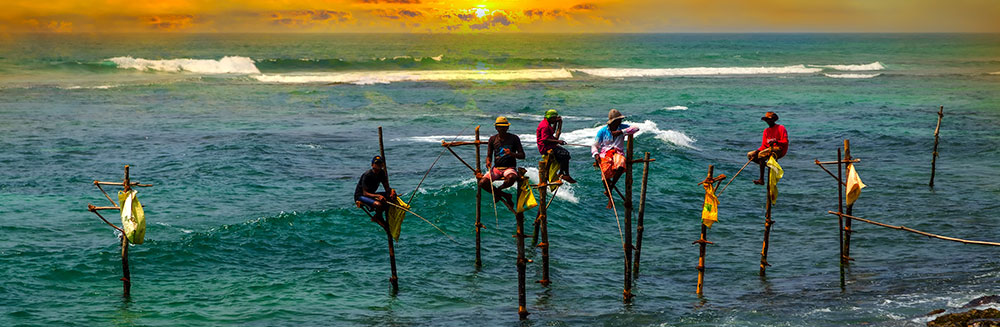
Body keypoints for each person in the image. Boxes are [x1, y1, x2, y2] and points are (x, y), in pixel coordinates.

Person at [592, 109, 639, 208]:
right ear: (613, 121)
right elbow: (595, 145)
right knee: (605, 172)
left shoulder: (622, 128)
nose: (620, 121)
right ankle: (610, 196)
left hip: (618, 152)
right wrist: (596, 154)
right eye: (618, 120)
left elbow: (636, 128)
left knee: (621, 164)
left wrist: (621, 132)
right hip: (605, 154)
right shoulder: (602, 131)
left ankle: (611, 186)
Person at [478, 116, 525, 207]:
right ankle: (505, 195)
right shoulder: (492, 139)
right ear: (496, 128)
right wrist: (488, 162)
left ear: (507, 127)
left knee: (511, 178)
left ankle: (498, 191)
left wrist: (512, 154)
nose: (502, 129)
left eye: (504, 126)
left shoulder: (514, 138)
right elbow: (489, 156)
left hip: (509, 168)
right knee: (482, 182)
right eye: (500, 127)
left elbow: (522, 155)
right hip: (496, 169)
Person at [746, 111, 789, 185]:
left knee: (761, 155)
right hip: (768, 150)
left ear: (774, 120)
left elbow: (785, 141)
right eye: (767, 120)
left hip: (779, 149)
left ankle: (761, 179)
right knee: (750, 155)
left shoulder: (781, 128)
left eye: (770, 119)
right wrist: (756, 151)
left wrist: (776, 142)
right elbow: (764, 146)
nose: (768, 121)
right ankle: (770, 166)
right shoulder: (766, 131)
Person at [354, 155, 397, 228]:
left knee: (392, 198)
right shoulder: (367, 175)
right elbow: (365, 193)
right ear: (372, 165)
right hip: (361, 196)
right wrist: (378, 196)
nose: (378, 165)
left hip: (372, 194)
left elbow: (387, 188)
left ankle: (379, 216)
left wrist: (392, 191)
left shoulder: (382, 173)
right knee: (379, 205)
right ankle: (378, 217)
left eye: (380, 163)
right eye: (376, 163)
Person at [536, 109, 576, 184]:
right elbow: (544, 140)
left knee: (565, 154)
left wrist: (558, 123)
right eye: (554, 118)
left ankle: (562, 173)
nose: (555, 120)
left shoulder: (546, 123)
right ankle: (565, 174)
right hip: (545, 147)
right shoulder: (544, 126)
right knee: (564, 154)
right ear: (550, 118)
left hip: (549, 145)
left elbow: (552, 131)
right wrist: (558, 141)